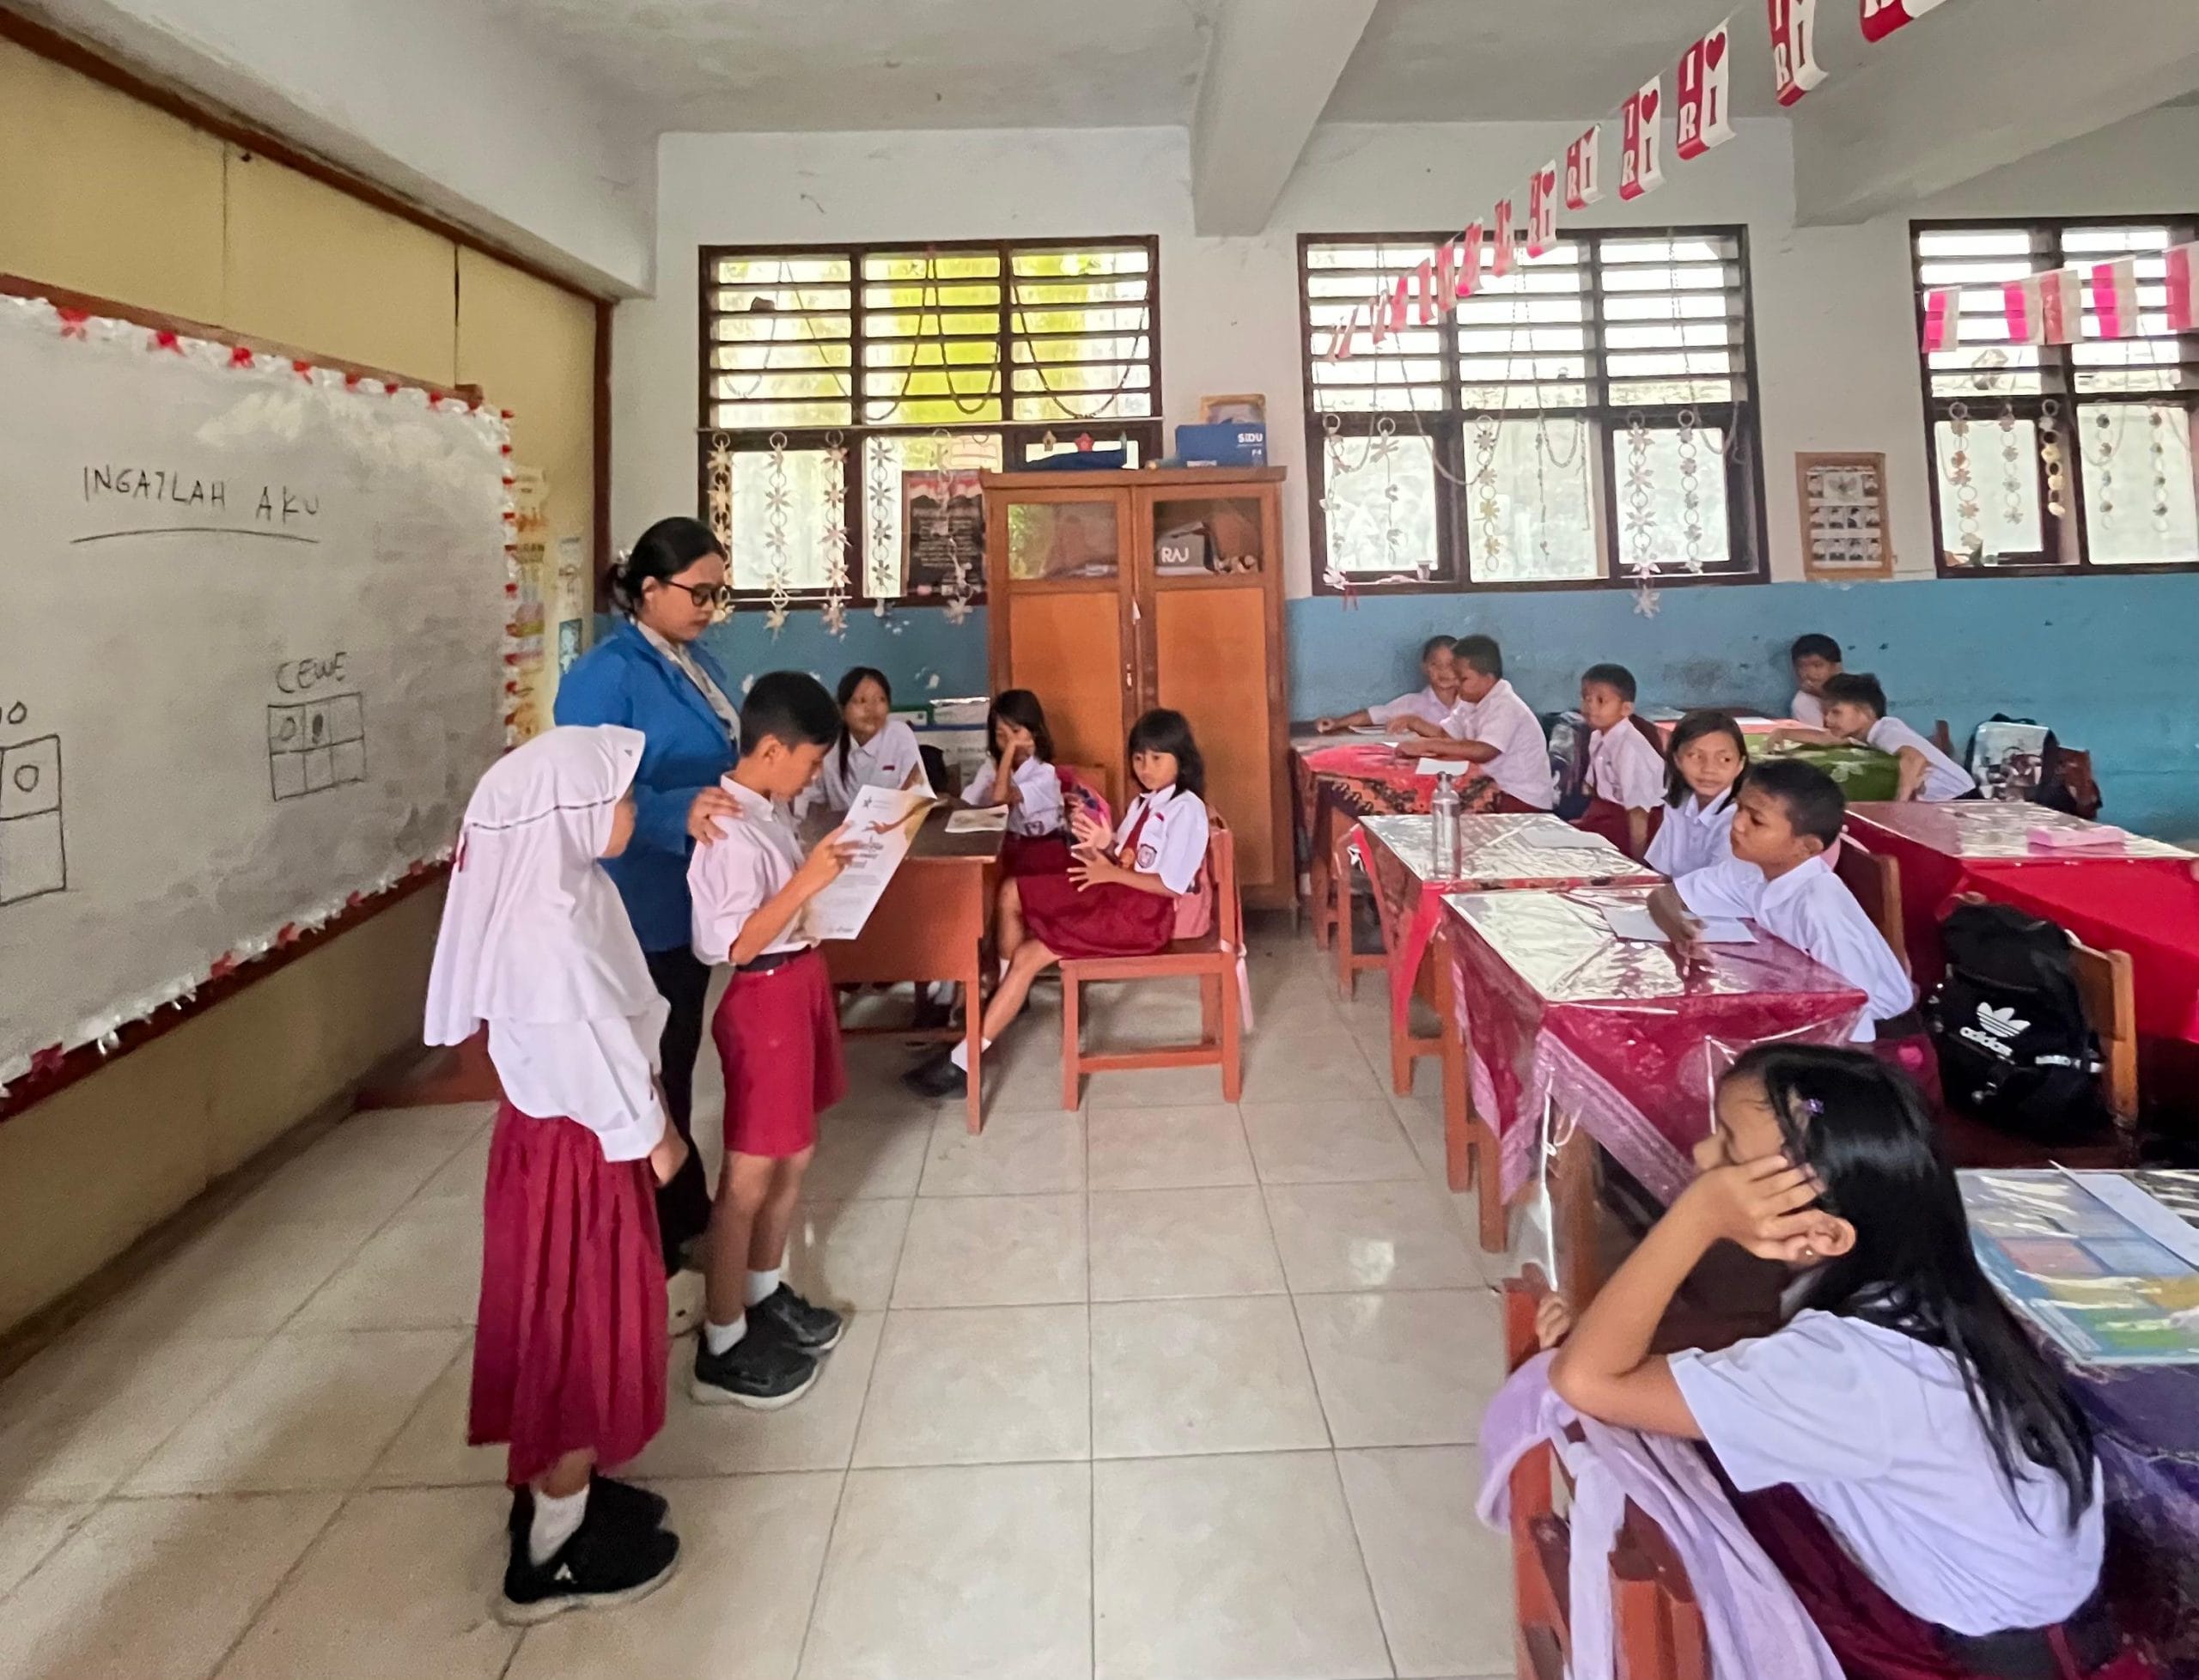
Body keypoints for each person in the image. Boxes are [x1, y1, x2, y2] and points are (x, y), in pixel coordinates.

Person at [1542, 1044, 2141, 1680]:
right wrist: (1611, 1343)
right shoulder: (1921, 1283)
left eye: (1729, 1160)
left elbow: (1585, 1380)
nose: (1700, 1159)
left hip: (1977, 1658)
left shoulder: (1851, 1371)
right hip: (2000, 1610)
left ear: (1825, 1234)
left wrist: (1696, 1218)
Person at [424, 726, 685, 1622]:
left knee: (571, 1318)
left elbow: (620, 1019)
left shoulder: (570, 890)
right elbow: (585, 1054)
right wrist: (653, 1132)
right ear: (566, 815)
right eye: (617, 797)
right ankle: (549, 1559)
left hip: (571, 1144)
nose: (632, 809)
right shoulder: (545, 933)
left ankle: (564, 1497)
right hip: (578, 1153)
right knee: (578, 1331)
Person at [553, 517, 741, 1287]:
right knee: (649, 1076)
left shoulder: (697, 662)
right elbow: (592, 796)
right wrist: (676, 814)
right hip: (635, 898)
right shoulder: (608, 674)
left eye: (718, 593)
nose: (709, 605)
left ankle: (686, 1217)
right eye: (698, 591)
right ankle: (653, 1246)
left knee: (676, 1062)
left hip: (689, 891)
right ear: (650, 589)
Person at [686, 673, 861, 1409]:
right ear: (769, 748)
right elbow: (734, 942)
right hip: (763, 1001)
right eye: (811, 762)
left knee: (797, 1150)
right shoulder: (726, 826)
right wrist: (805, 884)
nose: (815, 775)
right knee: (748, 1177)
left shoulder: (767, 811)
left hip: (799, 986)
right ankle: (722, 1339)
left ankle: (761, 1292)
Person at [905, 707, 1211, 1099]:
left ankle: (967, 1057)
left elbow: (1172, 885)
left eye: (1156, 758)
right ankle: (991, 1020)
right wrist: (1104, 845)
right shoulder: (1144, 802)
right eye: (1139, 758)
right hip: (1116, 898)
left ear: (1181, 760)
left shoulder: (1187, 808)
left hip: (1143, 919)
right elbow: (1127, 856)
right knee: (1016, 898)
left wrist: (1112, 872)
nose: (1146, 768)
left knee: (1031, 954)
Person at [1648, 759, 1936, 1096]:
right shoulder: (1750, 869)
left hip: (1878, 1050)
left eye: (1756, 820)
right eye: (1739, 807)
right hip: (1808, 1017)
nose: (1737, 825)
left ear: (1807, 847)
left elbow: (1855, 1013)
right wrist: (1679, 927)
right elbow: (1663, 896)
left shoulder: (1819, 907)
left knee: (1711, 1078)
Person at [1398, 633, 1556, 811]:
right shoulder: (1469, 700)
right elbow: (1448, 736)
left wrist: (1429, 745)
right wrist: (1415, 725)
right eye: (1455, 675)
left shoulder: (1504, 705)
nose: (1456, 683)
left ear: (1488, 679)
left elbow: (1484, 750)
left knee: (1434, 807)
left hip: (1521, 799)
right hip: (1492, 788)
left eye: (1463, 678)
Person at [1798, 674, 1977, 803]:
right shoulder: (1867, 734)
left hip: (1962, 799)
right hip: (1949, 799)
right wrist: (1782, 734)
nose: (1827, 719)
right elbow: (1828, 739)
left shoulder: (1886, 733)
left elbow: (1914, 758)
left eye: (1836, 712)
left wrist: (1901, 803)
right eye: (1826, 713)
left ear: (1866, 712)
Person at [1575, 662, 1669, 860]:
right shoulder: (1596, 737)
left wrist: (1639, 862)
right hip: (1606, 819)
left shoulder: (1630, 748)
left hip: (1635, 829)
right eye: (1586, 698)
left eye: (1601, 700)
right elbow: (1592, 790)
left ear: (1626, 709)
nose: (1590, 706)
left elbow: (1638, 814)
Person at [807, 667, 929, 814]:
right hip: (842, 833)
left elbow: (917, 794)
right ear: (842, 709)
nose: (871, 709)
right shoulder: (828, 744)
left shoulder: (899, 734)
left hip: (892, 829)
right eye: (861, 701)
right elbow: (809, 799)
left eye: (880, 700)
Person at [1645, 709, 1747, 879]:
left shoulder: (1738, 820)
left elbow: (1717, 889)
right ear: (1677, 759)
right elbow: (1660, 874)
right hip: (1675, 900)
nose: (1709, 769)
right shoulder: (1678, 806)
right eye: (1695, 756)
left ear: (1740, 765)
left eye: (1725, 759)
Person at [963, 687, 1065, 851]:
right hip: (1009, 846)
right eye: (1000, 735)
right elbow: (967, 804)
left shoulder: (1045, 772)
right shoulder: (990, 767)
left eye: (1016, 731)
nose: (1010, 740)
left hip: (1044, 848)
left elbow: (1001, 797)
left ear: (1034, 731)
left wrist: (1010, 748)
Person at [1314, 635, 1459, 733]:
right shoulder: (1413, 704)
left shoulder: (1475, 702)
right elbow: (1374, 715)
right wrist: (1337, 722)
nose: (1444, 671)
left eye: (1451, 665)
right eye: (1436, 665)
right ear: (1424, 667)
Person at [1788, 633, 1843, 728]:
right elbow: (1826, 739)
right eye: (1802, 666)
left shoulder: (1858, 690)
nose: (1809, 673)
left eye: (1818, 665)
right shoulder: (1803, 702)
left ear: (1837, 667)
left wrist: (1824, 694)